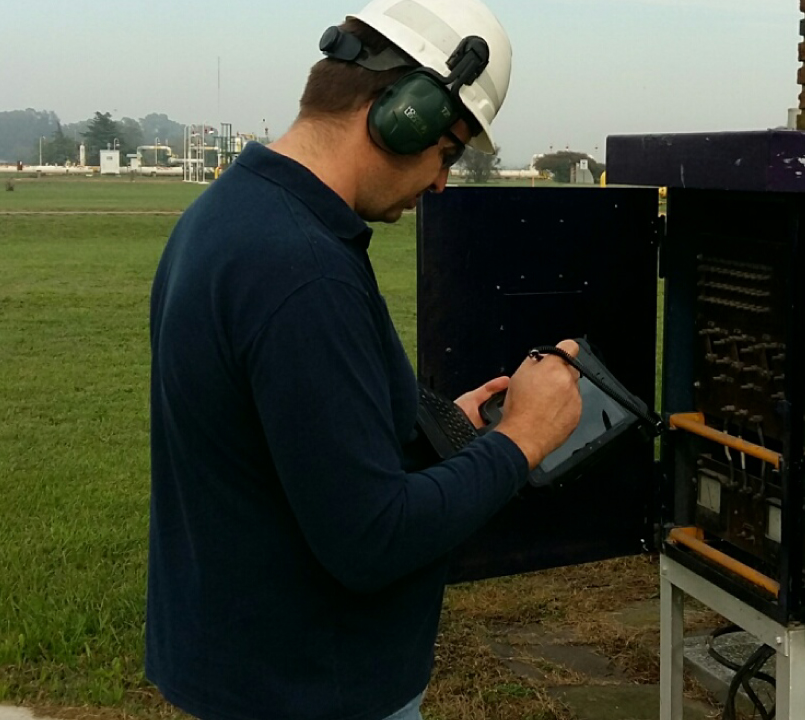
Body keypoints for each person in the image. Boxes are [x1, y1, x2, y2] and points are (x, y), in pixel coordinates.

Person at [144, 2, 582, 720]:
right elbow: (371, 540)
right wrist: (520, 438)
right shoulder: (303, 269)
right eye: (447, 151)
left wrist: (438, 430)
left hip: (247, 669)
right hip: (314, 689)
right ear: (399, 113)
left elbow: (290, 445)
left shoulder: (228, 215)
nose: (442, 182)